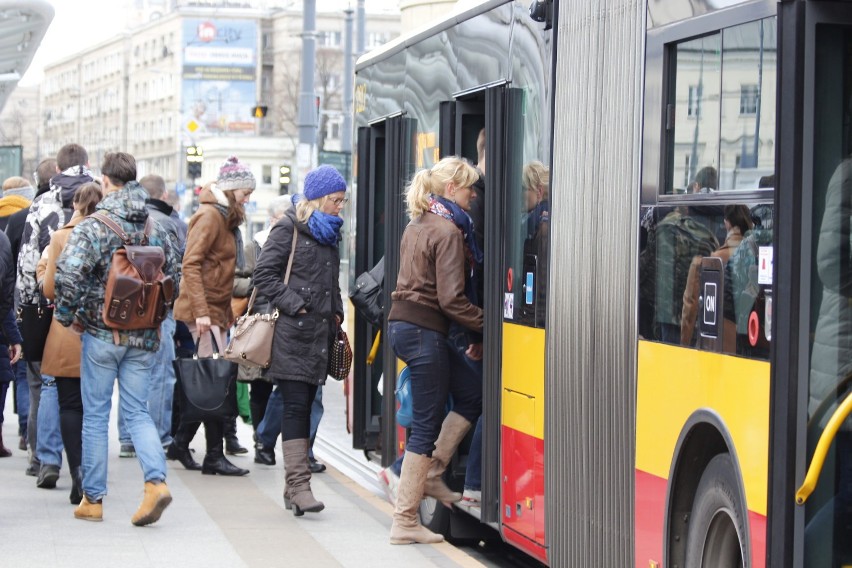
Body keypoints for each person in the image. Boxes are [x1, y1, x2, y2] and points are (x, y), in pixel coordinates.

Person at [54, 152, 179, 525]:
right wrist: (158, 317)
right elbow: (172, 275)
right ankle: (155, 483)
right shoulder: (155, 226)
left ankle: (92, 500)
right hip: (143, 336)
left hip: (100, 333)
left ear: (105, 180)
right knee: (137, 411)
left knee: (95, 414)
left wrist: (67, 316)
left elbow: (68, 274)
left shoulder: (96, 225)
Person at [384, 156, 483, 544]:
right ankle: (405, 519)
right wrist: (489, 323)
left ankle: (435, 472)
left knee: (471, 393)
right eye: (470, 187)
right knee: (425, 424)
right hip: (425, 331)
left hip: (406, 326)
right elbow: (452, 301)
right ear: (453, 189)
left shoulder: (419, 222)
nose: (474, 195)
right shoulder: (448, 231)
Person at [253, 164, 347, 516]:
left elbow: (330, 281)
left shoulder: (330, 233)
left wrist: (336, 313)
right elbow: (264, 275)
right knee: (295, 407)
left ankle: (293, 488)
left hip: (320, 336)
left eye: (343, 200)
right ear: (320, 198)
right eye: (336, 200)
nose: (341, 206)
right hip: (293, 334)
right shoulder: (288, 228)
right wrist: (297, 307)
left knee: (306, 406)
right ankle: (299, 485)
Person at [171, 156, 255, 476]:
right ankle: (213, 456)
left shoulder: (225, 216)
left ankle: (181, 443)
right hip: (200, 312)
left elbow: (218, 272)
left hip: (214, 311)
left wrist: (221, 314)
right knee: (214, 379)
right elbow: (190, 265)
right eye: (245, 192)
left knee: (215, 377)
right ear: (232, 189)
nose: (248, 198)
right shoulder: (209, 216)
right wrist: (204, 314)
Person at [21, 144, 93, 489]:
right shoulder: (102, 203)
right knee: (89, 390)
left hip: (51, 308)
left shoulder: (42, 203)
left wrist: (26, 306)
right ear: (87, 166)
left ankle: (47, 458)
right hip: (94, 313)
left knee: (49, 382)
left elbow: (27, 259)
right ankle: (84, 464)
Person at [36, 181, 103, 504]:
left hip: (66, 330)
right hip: (103, 328)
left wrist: (43, 272)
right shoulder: (109, 234)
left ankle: (76, 469)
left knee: (69, 404)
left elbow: (50, 290)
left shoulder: (62, 236)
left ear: (75, 204)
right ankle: (92, 475)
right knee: (96, 408)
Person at [6, 158, 56, 467]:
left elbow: (18, 268)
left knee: (30, 378)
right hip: (57, 310)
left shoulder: (21, 220)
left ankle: (29, 435)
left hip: (24, 310)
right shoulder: (42, 217)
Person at [680, 204, 752, 348]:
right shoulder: (754, 253)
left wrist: (684, 343)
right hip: (750, 340)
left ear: (727, 223)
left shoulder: (715, 260)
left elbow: (691, 305)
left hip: (721, 342)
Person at [0, 175, 33, 454]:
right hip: (24, 310)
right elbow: (6, 291)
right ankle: (25, 431)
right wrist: (13, 335)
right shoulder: (31, 218)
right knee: (22, 375)